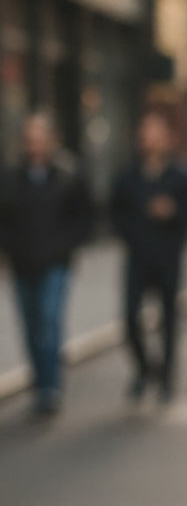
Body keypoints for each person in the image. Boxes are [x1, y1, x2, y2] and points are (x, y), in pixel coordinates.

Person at [0, 112, 92, 417]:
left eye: (39, 138)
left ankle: (51, 387)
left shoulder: (67, 174)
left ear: (52, 140)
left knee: (49, 321)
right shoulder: (13, 177)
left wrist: (67, 247)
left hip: (55, 262)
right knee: (29, 326)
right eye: (30, 139)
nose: (34, 145)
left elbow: (83, 216)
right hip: (22, 262)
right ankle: (39, 382)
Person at [110, 108, 187, 403]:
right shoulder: (128, 175)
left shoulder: (180, 176)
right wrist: (130, 233)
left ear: (168, 139)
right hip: (137, 257)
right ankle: (145, 369)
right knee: (130, 318)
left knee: (168, 320)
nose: (150, 140)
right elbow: (115, 213)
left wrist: (172, 211)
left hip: (168, 257)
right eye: (146, 134)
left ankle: (167, 379)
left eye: (156, 134)